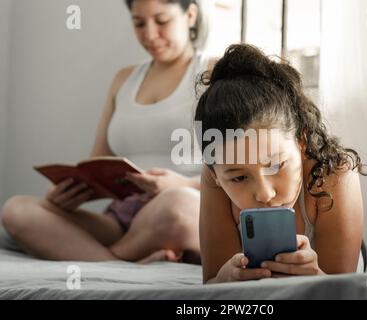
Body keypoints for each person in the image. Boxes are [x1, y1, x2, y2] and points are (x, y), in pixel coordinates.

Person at [0, 0, 212, 264]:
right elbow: (96, 162)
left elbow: (238, 172)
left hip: (180, 210)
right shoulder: (124, 79)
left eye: (161, 21)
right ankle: (124, 261)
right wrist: (71, 191)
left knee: (176, 205)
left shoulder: (213, 72)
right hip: (122, 218)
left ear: (190, 15)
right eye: (138, 23)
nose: (149, 34)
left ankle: (105, 259)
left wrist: (182, 183)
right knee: (17, 210)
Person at [194, 44, 367, 284]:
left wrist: (314, 276)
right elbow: (212, 282)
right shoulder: (213, 177)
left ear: (302, 141)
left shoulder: (336, 173)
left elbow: (341, 289)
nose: (265, 194)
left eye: (276, 166)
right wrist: (226, 278)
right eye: (239, 178)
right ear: (216, 174)